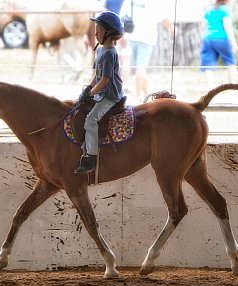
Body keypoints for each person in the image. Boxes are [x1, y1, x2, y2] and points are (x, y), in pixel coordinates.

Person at [74, 11, 124, 174]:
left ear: (109, 33)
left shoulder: (110, 53)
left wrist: (91, 93)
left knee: (90, 120)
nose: (95, 33)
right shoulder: (101, 51)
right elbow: (97, 76)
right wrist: (88, 89)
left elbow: (105, 80)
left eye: (99, 30)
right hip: (100, 92)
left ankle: (91, 157)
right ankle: (86, 143)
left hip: (109, 96)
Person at [120, 0, 174, 101]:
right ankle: (138, 95)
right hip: (147, 37)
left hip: (130, 35)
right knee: (141, 67)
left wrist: (121, 35)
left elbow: (122, 17)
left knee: (127, 62)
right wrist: (172, 28)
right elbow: (162, 18)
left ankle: (139, 90)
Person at [200, 0, 238, 89]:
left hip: (207, 38)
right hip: (221, 38)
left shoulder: (208, 9)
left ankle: (210, 88)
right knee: (231, 62)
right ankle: (233, 86)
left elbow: (202, 25)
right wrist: (233, 42)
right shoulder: (225, 9)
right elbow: (227, 26)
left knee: (208, 65)